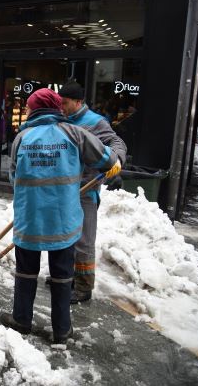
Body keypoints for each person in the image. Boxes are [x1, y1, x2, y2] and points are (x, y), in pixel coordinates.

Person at [0, 88, 120, 344]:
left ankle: (21, 320)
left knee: (26, 273)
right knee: (63, 277)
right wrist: (115, 161)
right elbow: (106, 158)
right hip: (63, 222)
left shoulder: (22, 137)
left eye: (29, 107)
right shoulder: (76, 134)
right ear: (57, 109)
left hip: (29, 220)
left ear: (34, 110)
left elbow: (13, 177)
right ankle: (62, 330)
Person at [58, 81, 127, 303]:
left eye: (65, 103)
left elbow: (117, 143)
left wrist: (115, 162)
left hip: (86, 190)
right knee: (66, 237)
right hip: (65, 189)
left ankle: (83, 287)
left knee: (84, 240)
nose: (62, 107)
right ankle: (68, 278)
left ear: (78, 102)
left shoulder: (95, 122)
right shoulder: (61, 121)